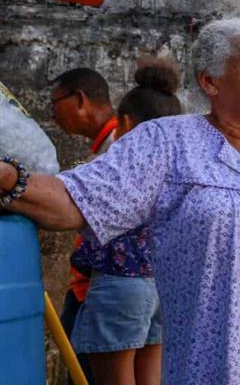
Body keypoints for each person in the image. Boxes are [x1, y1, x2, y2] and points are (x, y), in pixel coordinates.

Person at [0, 18, 240, 385]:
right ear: (210, 81)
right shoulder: (167, 144)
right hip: (230, 369)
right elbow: (75, 200)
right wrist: (10, 179)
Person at [68, 59, 181, 385]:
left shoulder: (121, 165)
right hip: (163, 286)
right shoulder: (179, 167)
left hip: (121, 282)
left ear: (126, 123)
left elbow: (76, 201)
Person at [50, 67, 119, 385]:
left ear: (79, 99)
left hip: (101, 289)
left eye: (55, 103)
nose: (52, 114)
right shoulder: (108, 147)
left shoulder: (118, 148)